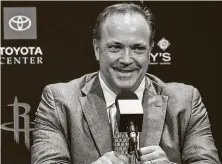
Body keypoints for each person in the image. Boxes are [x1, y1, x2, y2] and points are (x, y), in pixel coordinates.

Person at [31, 3, 220, 164]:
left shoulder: (184, 101)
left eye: (138, 48)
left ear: (149, 51)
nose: (126, 59)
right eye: (115, 47)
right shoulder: (59, 101)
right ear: (97, 50)